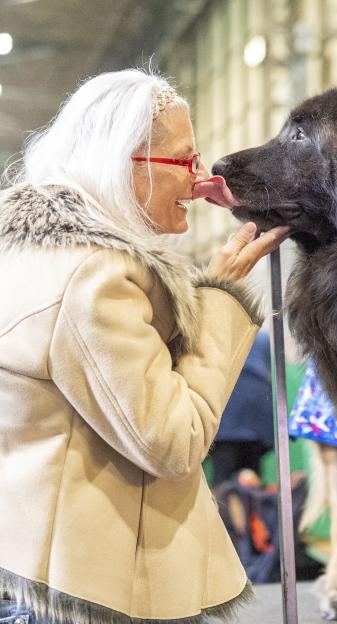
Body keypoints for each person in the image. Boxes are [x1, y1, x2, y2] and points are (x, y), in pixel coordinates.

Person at [0, 69, 289, 624]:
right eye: (183, 161)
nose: (200, 177)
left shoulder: (39, 258)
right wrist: (220, 298)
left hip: (40, 570)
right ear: (123, 161)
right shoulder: (93, 278)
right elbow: (171, 441)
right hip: (81, 597)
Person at [211, 330, 275, 487]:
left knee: (223, 481)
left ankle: (224, 511)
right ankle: (252, 508)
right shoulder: (262, 337)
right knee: (251, 480)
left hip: (228, 412)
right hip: (257, 414)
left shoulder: (227, 333)